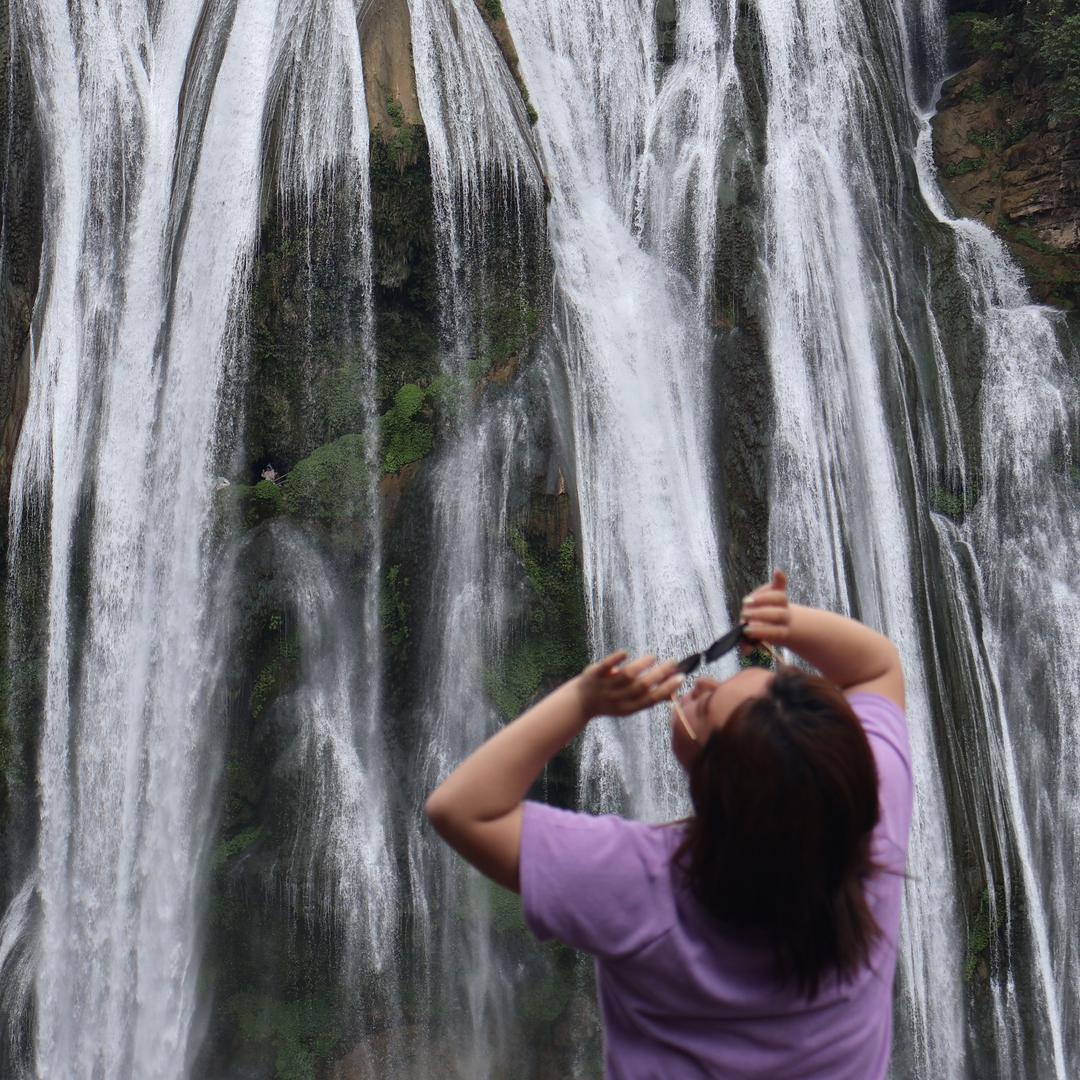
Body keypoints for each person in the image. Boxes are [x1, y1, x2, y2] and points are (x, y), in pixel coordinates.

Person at [425, 570, 911, 1079]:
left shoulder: (641, 883)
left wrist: (583, 700)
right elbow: (876, 668)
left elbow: (460, 808)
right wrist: (790, 622)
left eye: (705, 705)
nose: (700, 682)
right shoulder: (867, 825)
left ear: (713, 783)